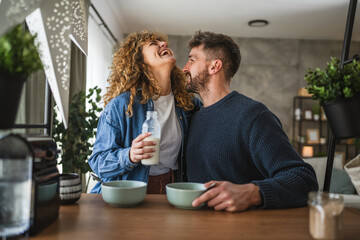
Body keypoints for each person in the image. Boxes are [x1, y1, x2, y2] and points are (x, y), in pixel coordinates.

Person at [183, 31, 318, 212]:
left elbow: (304, 180)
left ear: (214, 66)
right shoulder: (192, 116)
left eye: (192, 60)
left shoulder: (252, 116)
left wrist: (253, 192)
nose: (184, 68)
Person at [89, 31, 199, 194]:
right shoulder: (123, 105)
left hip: (172, 188)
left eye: (163, 42)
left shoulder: (188, 104)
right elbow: (98, 162)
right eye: (154, 44)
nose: (164, 44)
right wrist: (130, 155)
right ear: (140, 63)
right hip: (128, 192)